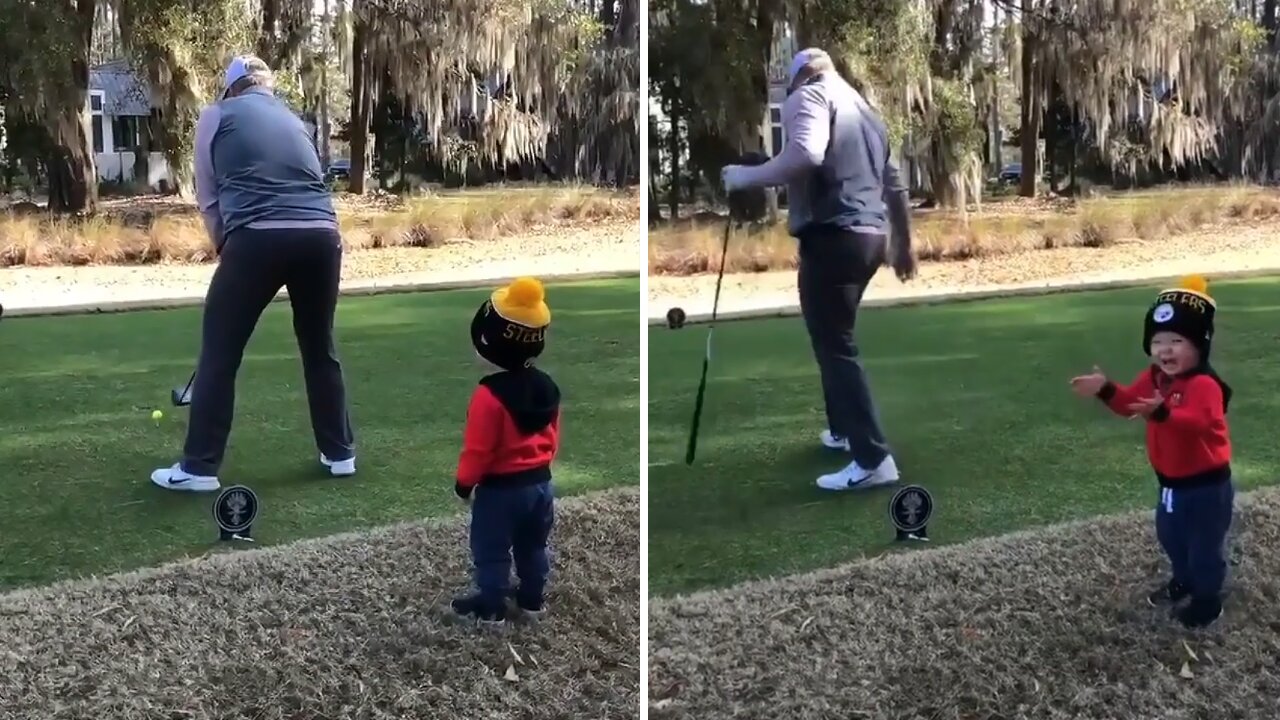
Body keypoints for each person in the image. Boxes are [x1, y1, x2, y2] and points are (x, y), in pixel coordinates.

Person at [150, 55, 356, 492]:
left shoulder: (215, 114)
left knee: (220, 350)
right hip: (323, 237)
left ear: (231, 89)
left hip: (258, 237)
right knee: (319, 346)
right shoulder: (295, 119)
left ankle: (199, 468)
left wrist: (227, 242)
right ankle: (340, 454)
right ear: (266, 87)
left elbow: (207, 194)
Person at [720, 48, 917, 491]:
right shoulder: (866, 110)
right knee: (833, 335)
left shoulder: (807, 96)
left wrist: (742, 178)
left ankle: (872, 459)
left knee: (835, 344)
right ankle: (845, 431)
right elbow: (895, 183)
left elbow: (806, 153)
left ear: (800, 78)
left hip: (833, 235)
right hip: (871, 237)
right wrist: (903, 245)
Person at [1069, 275, 1234, 629]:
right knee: (1172, 537)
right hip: (1170, 485)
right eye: (1158, 342)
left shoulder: (1205, 385)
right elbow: (1130, 404)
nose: (1166, 350)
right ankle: (1184, 579)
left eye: (1177, 341)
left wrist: (1162, 412)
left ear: (1199, 345)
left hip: (1206, 487)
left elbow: (1199, 422)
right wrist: (1106, 389)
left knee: (1204, 546)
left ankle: (1207, 601)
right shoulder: (1156, 378)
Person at [451, 276, 560, 624]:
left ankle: (492, 606)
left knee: (491, 548)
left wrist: (464, 484)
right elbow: (552, 437)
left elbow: (478, 451)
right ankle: (532, 601)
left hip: (500, 490)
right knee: (533, 545)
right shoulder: (547, 386)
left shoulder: (488, 396)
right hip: (542, 485)